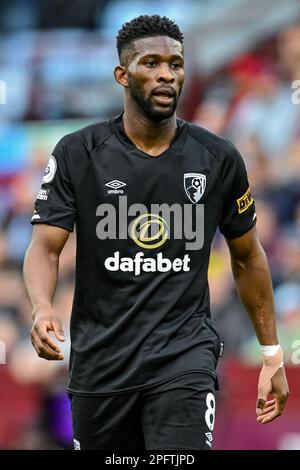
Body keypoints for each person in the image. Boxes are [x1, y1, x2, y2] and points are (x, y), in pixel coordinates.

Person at [23, 15, 289, 450]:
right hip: (100, 363)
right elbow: (45, 246)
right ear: (122, 75)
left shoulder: (217, 157)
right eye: (151, 63)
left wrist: (272, 354)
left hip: (184, 357)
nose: (167, 73)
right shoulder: (78, 152)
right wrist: (39, 307)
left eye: (176, 63)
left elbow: (248, 256)